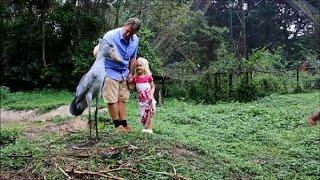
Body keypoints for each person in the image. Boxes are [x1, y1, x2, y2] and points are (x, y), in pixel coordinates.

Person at [93, 18, 141, 133]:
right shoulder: (110, 35)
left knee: (122, 99)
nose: (128, 34)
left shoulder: (135, 40)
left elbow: (133, 58)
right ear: (124, 26)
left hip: (124, 72)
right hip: (109, 70)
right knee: (112, 99)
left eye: (132, 33)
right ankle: (117, 125)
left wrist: (131, 73)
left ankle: (124, 124)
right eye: (127, 31)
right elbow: (97, 52)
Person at [129, 57, 156, 133]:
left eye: (140, 65)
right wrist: (129, 82)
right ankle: (145, 127)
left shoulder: (148, 77)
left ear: (145, 66)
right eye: (137, 66)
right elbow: (131, 88)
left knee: (149, 113)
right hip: (141, 100)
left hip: (148, 99)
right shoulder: (136, 78)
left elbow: (153, 86)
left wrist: (151, 94)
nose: (138, 67)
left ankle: (149, 128)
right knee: (142, 113)